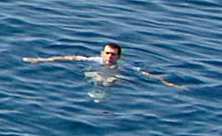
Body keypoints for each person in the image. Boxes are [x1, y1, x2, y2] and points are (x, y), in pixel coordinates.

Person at [23, 42, 181, 89]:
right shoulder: (94, 60)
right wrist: (40, 60)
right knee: (100, 79)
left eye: (113, 54)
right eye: (107, 53)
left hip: (114, 77)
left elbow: (147, 74)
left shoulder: (127, 66)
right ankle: (99, 93)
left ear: (119, 57)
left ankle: (100, 94)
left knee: (110, 80)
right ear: (102, 53)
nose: (109, 57)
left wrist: (168, 83)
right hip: (96, 74)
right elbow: (69, 57)